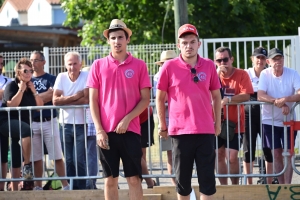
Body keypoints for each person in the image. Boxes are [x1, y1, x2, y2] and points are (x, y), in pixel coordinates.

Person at [87, 19, 151, 200]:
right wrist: (99, 130)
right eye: (113, 37)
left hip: (131, 131)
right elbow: (93, 100)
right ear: (108, 40)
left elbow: (145, 99)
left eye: (120, 37)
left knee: (134, 179)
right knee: (110, 180)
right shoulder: (98, 65)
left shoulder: (140, 65)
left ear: (127, 39)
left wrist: (127, 119)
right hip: (106, 132)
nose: (117, 41)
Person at [156, 24, 221, 200]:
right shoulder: (168, 67)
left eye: (192, 42)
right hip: (180, 132)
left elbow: (216, 96)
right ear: (179, 45)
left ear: (199, 44)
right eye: (184, 42)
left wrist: (218, 124)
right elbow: (159, 98)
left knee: (207, 182)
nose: (188, 46)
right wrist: (163, 125)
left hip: (205, 130)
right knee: (182, 184)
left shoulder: (208, 65)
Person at [258, 47, 300, 184]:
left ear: (283, 59)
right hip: (269, 121)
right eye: (275, 59)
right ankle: (282, 187)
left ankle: (287, 186)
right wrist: (279, 103)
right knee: (276, 154)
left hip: (289, 121)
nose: (278, 61)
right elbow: (260, 95)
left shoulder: (293, 73)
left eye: (280, 58)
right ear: (269, 61)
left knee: (288, 154)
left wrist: (286, 99)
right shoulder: (265, 74)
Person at [0, 58, 43, 191]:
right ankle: (27, 165)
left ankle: (14, 190)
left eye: (31, 70)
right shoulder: (12, 85)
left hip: (21, 124)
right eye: (25, 70)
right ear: (18, 72)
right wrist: (21, 90)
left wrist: (34, 91)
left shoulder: (31, 86)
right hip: (6, 122)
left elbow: (39, 107)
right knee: (26, 130)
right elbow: (12, 104)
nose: (28, 73)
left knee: (16, 152)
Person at [30, 51, 69, 190]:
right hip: (33, 122)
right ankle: (38, 186)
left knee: (57, 155)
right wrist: (41, 97)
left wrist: (35, 98)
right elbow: (28, 101)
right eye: (31, 60)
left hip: (49, 121)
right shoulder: (28, 80)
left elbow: (53, 95)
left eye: (36, 60)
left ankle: (65, 185)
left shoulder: (52, 78)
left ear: (43, 62)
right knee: (36, 157)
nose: (32, 64)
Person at [215, 47, 253, 185]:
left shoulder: (241, 74)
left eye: (225, 59)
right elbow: (204, 92)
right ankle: (224, 188)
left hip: (235, 123)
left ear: (231, 59)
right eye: (219, 60)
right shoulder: (213, 75)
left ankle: (235, 185)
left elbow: (247, 95)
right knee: (218, 155)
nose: (222, 63)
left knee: (231, 156)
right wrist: (216, 74)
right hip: (215, 122)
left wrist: (229, 100)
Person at [53, 52, 89, 190]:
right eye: (69, 64)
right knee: (68, 159)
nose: (72, 67)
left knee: (79, 159)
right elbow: (55, 101)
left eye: (75, 64)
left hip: (81, 124)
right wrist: (76, 96)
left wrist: (66, 100)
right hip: (65, 124)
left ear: (80, 64)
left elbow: (86, 99)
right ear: (65, 65)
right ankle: (70, 187)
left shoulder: (86, 75)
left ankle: (81, 188)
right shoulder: (61, 77)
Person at [242, 47, 274, 185]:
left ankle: (269, 181)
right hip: (249, 114)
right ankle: (249, 184)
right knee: (248, 149)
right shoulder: (246, 73)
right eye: (258, 57)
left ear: (266, 60)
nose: (260, 60)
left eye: (262, 58)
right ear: (252, 59)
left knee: (268, 148)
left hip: (266, 114)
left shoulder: (269, 74)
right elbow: (244, 92)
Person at [153, 50, 177, 186]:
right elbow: (162, 99)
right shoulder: (158, 77)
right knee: (170, 154)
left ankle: (182, 183)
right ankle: (175, 184)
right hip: (166, 120)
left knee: (182, 153)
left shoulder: (181, 72)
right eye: (165, 63)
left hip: (180, 119)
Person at [81, 66, 98, 190]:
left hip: (90, 123)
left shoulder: (87, 81)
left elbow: (86, 98)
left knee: (90, 155)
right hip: (86, 123)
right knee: (90, 155)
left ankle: (89, 183)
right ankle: (89, 183)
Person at [0, 54, 11, 191]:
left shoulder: (8, 80)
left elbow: (7, 95)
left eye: (2, 63)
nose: (1, 65)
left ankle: (1, 187)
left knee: (3, 154)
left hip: (2, 117)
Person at [139, 107, 156, 188]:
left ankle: (145, 181)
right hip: (129, 119)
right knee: (138, 154)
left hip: (145, 118)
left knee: (141, 154)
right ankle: (148, 181)